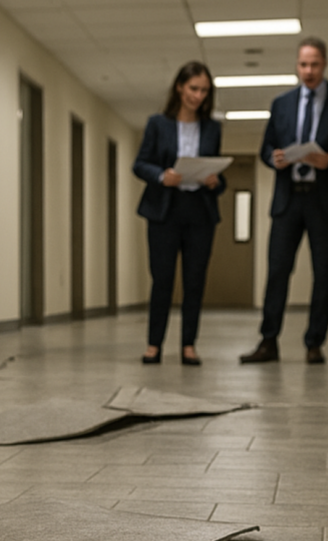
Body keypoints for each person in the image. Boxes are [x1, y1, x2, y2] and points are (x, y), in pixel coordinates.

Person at [240, 37, 328, 365]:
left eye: (315, 64)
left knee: (324, 274)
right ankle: (268, 341)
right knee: (277, 271)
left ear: (325, 64)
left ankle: (314, 343)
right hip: (287, 201)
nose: (309, 71)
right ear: (297, 65)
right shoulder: (282, 104)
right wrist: (274, 158)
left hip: (325, 201)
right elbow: (266, 148)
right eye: (303, 64)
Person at [133, 62, 227, 366]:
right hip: (164, 210)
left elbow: (218, 174)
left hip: (199, 210)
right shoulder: (157, 124)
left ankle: (188, 344)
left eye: (204, 91)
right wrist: (162, 176)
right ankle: (154, 344)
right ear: (179, 87)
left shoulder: (212, 128)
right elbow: (140, 163)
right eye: (193, 89)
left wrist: (215, 180)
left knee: (194, 280)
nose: (198, 96)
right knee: (162, 279)